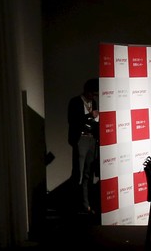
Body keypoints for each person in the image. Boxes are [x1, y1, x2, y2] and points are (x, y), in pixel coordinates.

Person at [67, 77, 100, 215]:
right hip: (80, 139)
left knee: (89, 174)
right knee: (78, 174)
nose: (93, 96)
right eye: (92, 93)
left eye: (95, 94)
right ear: (87, 90)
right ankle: (74, 206)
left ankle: (86, 205)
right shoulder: (75, 101)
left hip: (92, 140)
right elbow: (73, 121)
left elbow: (95, 122)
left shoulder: (94, 102)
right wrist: (89, 116)